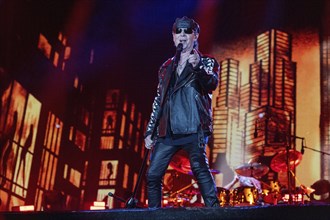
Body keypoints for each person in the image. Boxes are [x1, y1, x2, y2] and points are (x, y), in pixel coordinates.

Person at [144, 16, 220, 208]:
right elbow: (158, 101)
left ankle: (215, 211)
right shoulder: (165, 67)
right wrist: (150, 131)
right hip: (168, 130)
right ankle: (154, 213)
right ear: (173, 37)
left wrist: (198, 68)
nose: (183, 35)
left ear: (195, 36)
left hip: (193, 126)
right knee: (153, 175)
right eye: (179, 31)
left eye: (187, 31)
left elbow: (211, 84)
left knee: (199, 168)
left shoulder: (206, 62)